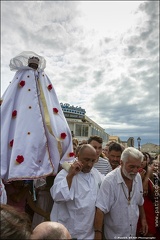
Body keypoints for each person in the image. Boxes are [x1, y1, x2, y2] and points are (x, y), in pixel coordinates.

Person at [1, 51, 74, 182]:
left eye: (36, 63)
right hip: (22, 120)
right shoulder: (21, 76)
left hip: (42, 121)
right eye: (32, 63)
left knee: (56, 132)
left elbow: (50, 102)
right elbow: (12, 101)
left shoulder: (43, 77)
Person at [50, 144, 103, 240]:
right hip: (66, 232)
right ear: (78, 156)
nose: (90, 164)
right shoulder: (65, 173)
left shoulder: (95, 174)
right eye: (86, 160)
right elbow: (58, 197)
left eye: (93, 160)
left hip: (88, 234)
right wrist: (70, 175)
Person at [94, 147, 148, 239]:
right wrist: (98, 234)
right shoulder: (109, 181)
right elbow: (100, 210)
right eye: (131, 167)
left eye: (138, 167)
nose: (135, 171)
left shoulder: (137, 177)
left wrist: (143, 219)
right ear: (121, 163)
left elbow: (139, 201)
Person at [136, 153, 156, 237]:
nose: (142, 162)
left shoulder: (150, 172)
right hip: (137, 206)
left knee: (150, 230)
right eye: (140, 159)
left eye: (144, 159)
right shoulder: (134, 173)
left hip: (148, 206)